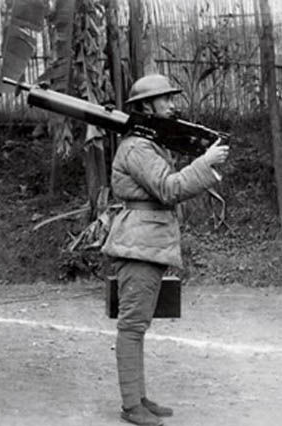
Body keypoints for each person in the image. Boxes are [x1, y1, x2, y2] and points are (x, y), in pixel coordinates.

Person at [101, 74, 230, 426]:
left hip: (146, 243)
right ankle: (131, 406)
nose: (172, 105)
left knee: (138, 324)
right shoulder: (138, 148)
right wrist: (205, 162)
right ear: (146, 105)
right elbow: (169, 188)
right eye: (165, 99)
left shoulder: (148, 144)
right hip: (139, 246)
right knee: (132, 326)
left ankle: (138, 397)